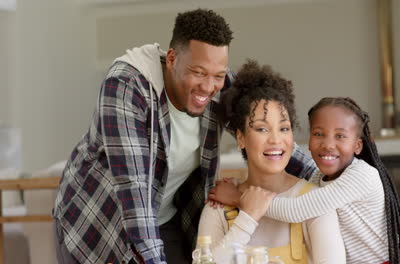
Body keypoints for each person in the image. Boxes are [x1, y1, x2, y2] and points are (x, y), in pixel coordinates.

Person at [53, 9, 315, 264]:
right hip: (95, 225)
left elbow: (270, 132)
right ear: (171, 59)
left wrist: (326, 175)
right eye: (198, 73)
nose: (208, 87)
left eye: (218, 76)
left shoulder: (220, 87)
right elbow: (134, 194)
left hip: (163, 220)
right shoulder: (126, 86)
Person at [210, 97, 400, 264]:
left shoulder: (361, 175)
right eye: (318, 134)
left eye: (340, 136)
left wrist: (238, 197)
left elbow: (296, 209)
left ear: (357, 146)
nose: (327, 144)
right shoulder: (318, 178)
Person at [198, 61, 346, 264]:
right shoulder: (219, 207)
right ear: (240, 137)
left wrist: (242, 199)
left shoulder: (314, 202)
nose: (276, 140)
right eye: (261, 129)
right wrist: (247, 217)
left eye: (284, 128)